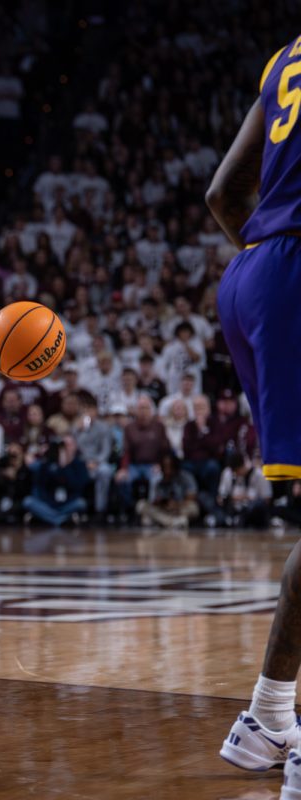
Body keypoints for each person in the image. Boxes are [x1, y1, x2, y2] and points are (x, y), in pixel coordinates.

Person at [208, 38, 301, 788]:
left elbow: (221, 194)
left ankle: (271, 721)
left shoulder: (285, 58)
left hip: (255, 275)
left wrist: (275, 263)